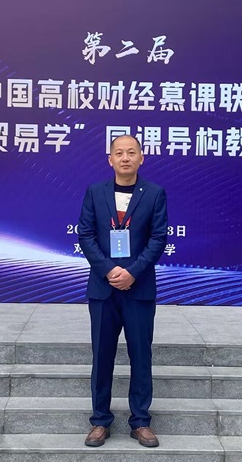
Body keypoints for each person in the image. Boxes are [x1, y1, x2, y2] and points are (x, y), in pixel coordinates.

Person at [78, 134, 168, 448]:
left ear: (141, 158)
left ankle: (140, 422)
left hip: (139, 288)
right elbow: (86, 235)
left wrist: (132, 272)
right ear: (110, 159)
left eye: (131, 152)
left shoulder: (154, 193)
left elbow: (158, 239)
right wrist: (109, 270)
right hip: (103, 289)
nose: (125, 158)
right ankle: (100, 421)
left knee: (141, 356)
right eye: (119, 153)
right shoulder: (95, 192)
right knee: (102, 356)